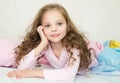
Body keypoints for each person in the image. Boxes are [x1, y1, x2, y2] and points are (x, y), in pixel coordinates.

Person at [0, 3, 104, 81]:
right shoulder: (45, 44)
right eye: (48, 25)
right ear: (41, 28)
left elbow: (69, 76)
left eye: (59, 24)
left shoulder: (74, 44)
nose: (54, 29)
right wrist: (42, 44)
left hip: (94, 54)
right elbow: (22, 68)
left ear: (67, 26)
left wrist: (34, 72)